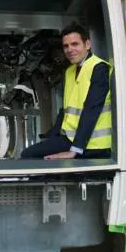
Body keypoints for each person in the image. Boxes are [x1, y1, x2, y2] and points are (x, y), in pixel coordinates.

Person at [21, 22, 112, 160]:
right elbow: (64, 111)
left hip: (94, 145)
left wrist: (74, 150)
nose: (70, 50)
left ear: (87, 44)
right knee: (29, 154)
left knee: (29, 156)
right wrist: (52, 138)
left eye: (75, 44)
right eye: (66, 46)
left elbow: (92, 109)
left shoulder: (99, 68)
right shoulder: (69, 72)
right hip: (70, 139)